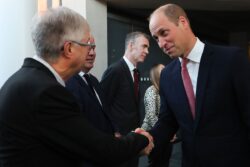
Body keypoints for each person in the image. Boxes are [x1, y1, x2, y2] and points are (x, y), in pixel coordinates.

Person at [0, 7, 154, 167]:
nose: (91, 51)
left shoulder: (27, 80)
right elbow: (100, 149)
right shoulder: (46, 92)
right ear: (69, 49)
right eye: (88, 43)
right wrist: (142, 139)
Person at [143, 3, 250, 167]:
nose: (161, 43)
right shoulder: (167, 75)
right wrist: (145, 138)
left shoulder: (231, 60)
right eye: (156, 38)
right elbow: (167, 122)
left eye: (164, 33)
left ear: (183, 22)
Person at [101, 31, 150, 167]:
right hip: (119, 140)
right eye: (144, 46)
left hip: (132, 138)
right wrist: (114, 131)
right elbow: (102, 105)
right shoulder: (115, 70)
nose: (147, 51)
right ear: (131, 46)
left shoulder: (136, 72)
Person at [142, 63, 174, 167]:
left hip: (165, 134)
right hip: (154, 134)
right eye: (162, 70)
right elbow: (151, 116)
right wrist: (165, 132)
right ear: (156, 75)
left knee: (165, 162)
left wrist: (170, 132)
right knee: (156, 163)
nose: (166, 71)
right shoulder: (151, 91)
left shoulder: (167, 90)